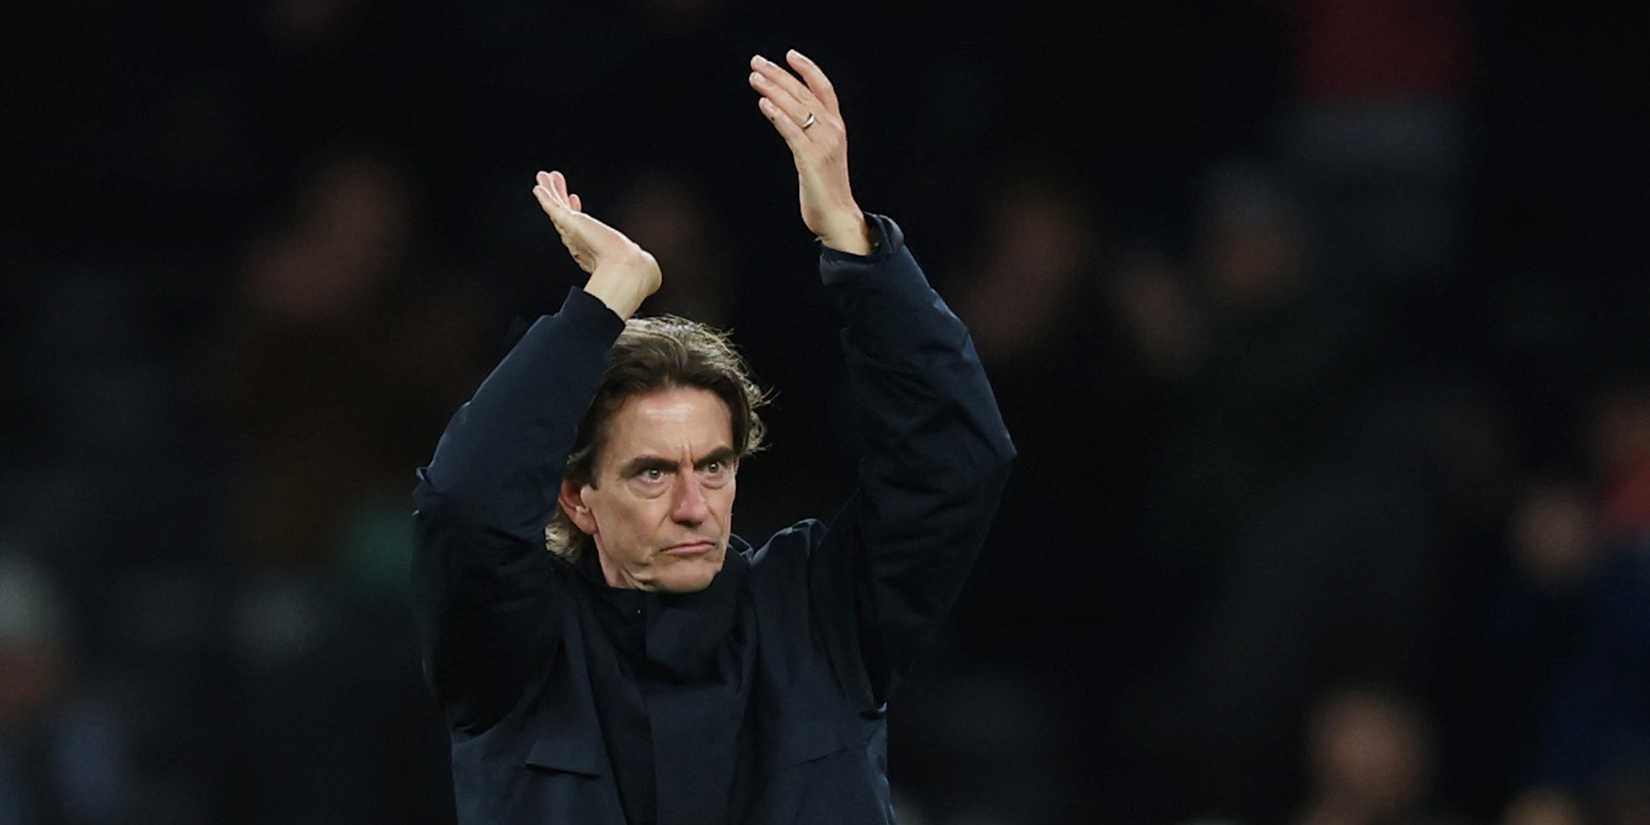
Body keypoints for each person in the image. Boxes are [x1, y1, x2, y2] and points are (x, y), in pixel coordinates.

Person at [411, 49, 1015, 825]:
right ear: (577, 497)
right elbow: (465, 504)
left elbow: (956, 463)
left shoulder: (819, 613)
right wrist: (604, 300)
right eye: (653, 472)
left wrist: (854, 241)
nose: (695, 505)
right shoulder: (516, 649)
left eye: (716, 466)